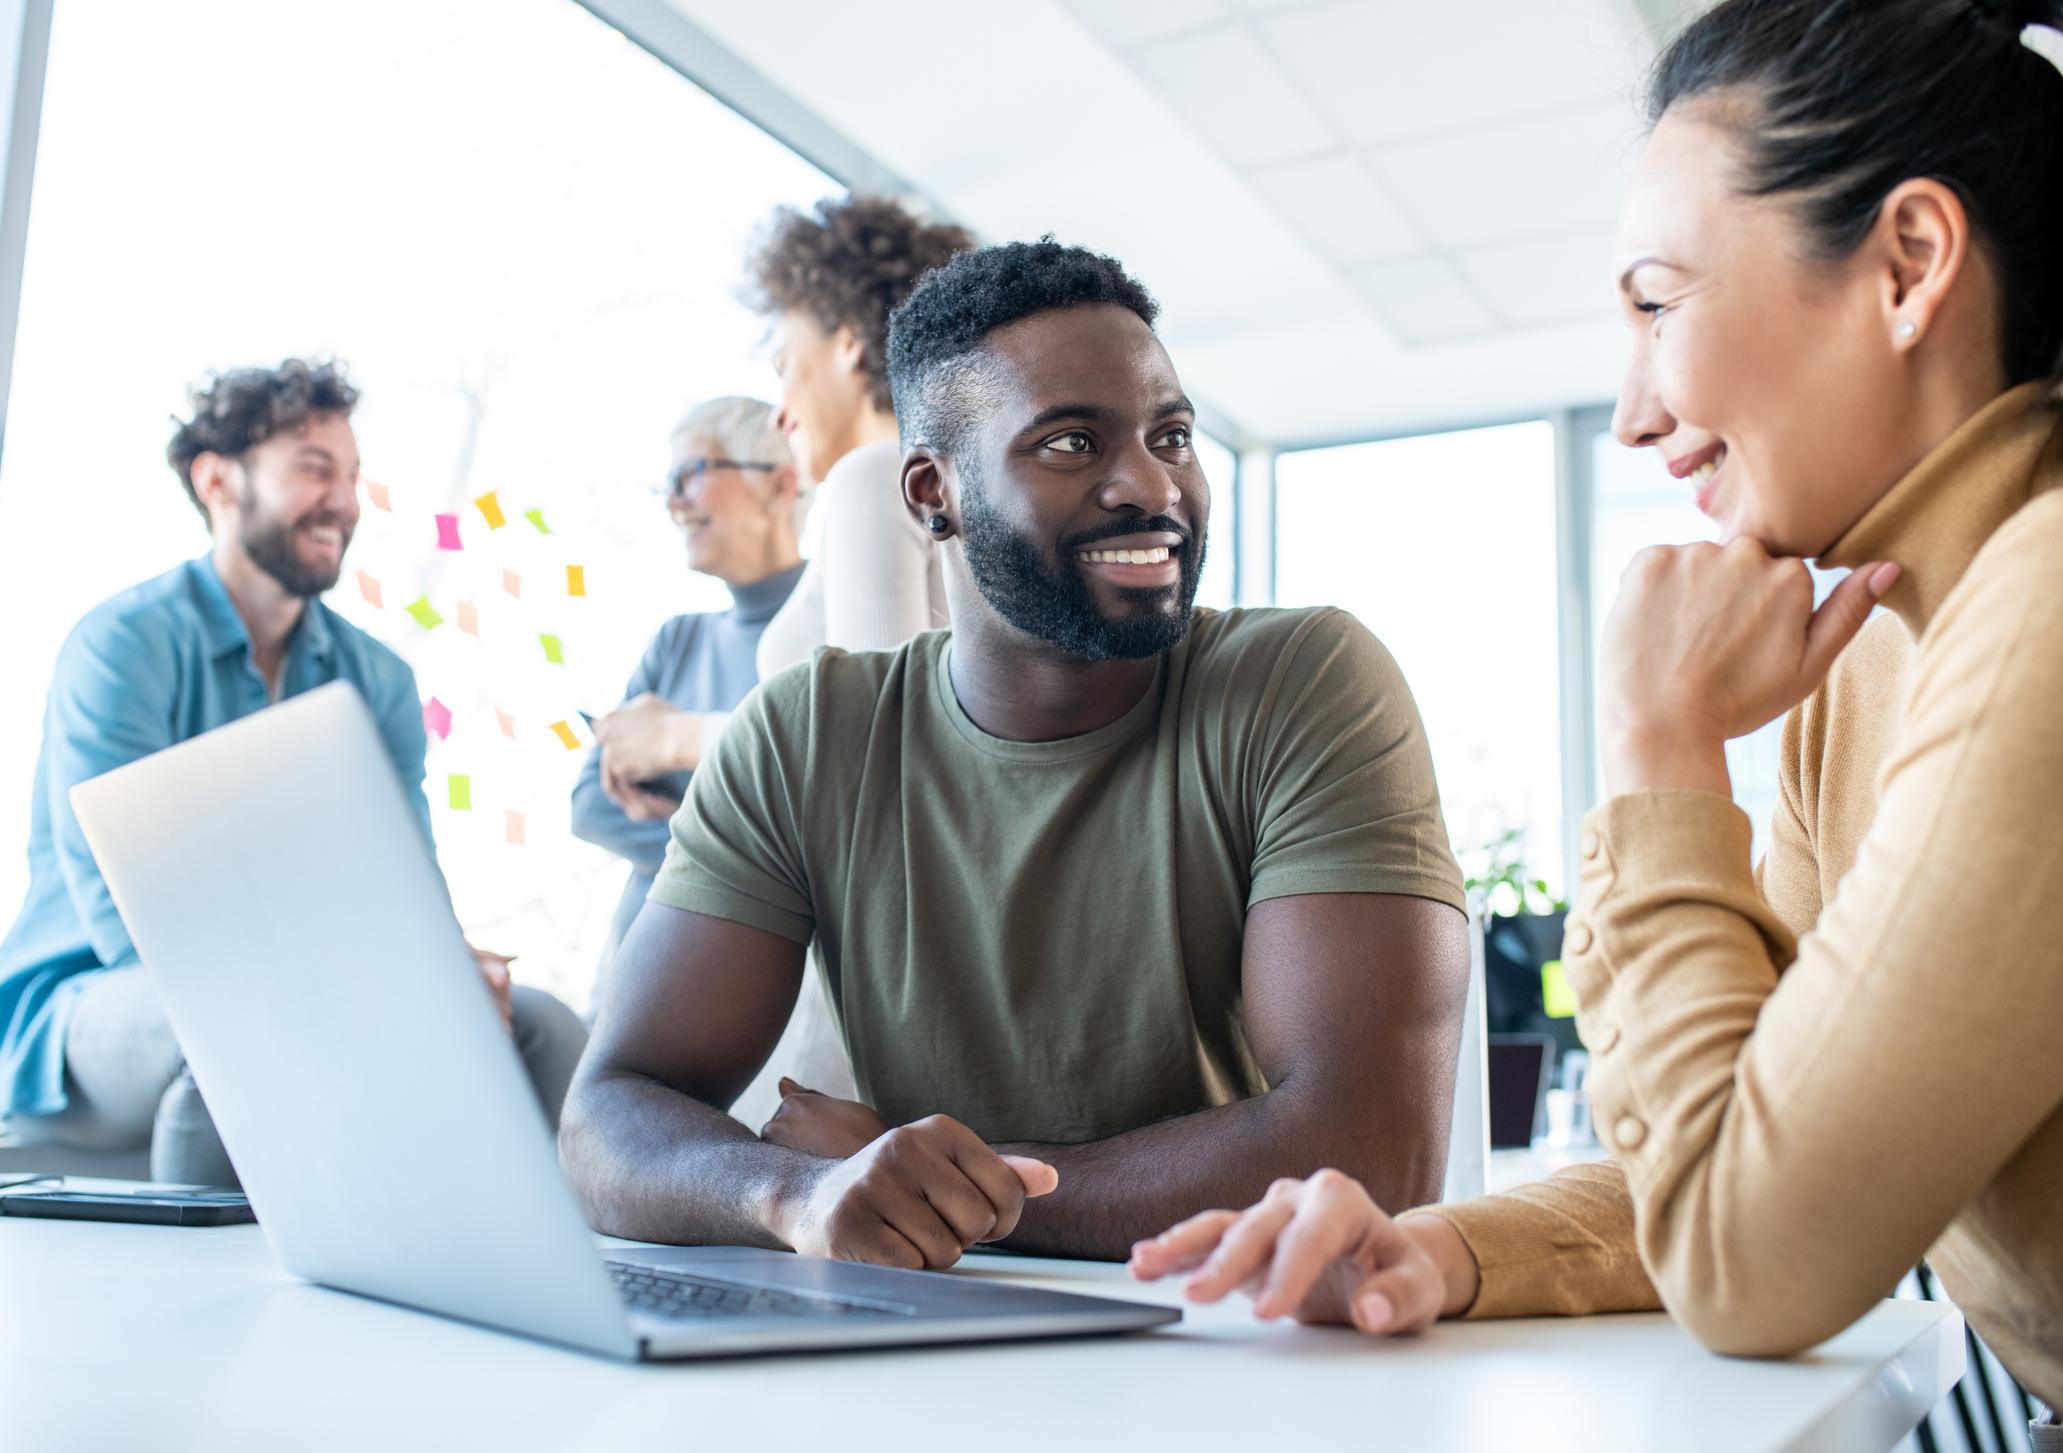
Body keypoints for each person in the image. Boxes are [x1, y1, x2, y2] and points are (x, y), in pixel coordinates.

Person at [1128, 0, 2063, 1425]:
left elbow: (1748, 1253)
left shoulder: (2043, 594)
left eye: (1655, 301)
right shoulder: (1868, 649)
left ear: (1905, 264)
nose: (1630, 411)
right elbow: (1747, 1139)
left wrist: (1654, 743)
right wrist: (1440, 1247)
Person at [560, 240, 1472, 1270]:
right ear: (931, 492)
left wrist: (935, 1189)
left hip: (1221, 1333)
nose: (1149, 485)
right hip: (920, 1334)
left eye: (1170, 434)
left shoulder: (1301, 683)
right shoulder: (802, 736)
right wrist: (800, 1192)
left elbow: (1371, 1148)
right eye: (1072, 443)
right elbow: (606, 1119)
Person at [0, 360, 589, 1185]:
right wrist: (340, 973)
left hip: (311, 989)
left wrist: (446, 961)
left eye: (351, 476)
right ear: (218, 482)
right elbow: (120, 913)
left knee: (543, 1027)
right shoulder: (124, 644)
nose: (345, 502)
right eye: (314, 469)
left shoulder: (375, 679)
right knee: (241, 1024)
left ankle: (610, 1294)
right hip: (89, 1003)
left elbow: (403, 887)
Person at [571, 397, 806, 962]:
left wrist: (674, 817)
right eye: (668, 483)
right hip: (635, 957)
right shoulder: (677, 640)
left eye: (691, 474)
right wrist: (725, 835)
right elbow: (589, 807)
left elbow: (813, 840)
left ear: (779, 486)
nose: (674, 501)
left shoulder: (831, 630)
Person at [742, 195, 973, 677]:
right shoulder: (951, 481)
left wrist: (681, 735)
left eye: (784, 366)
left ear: (848, 346)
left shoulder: (873, 474)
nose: (777, 414)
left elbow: (877, 727)